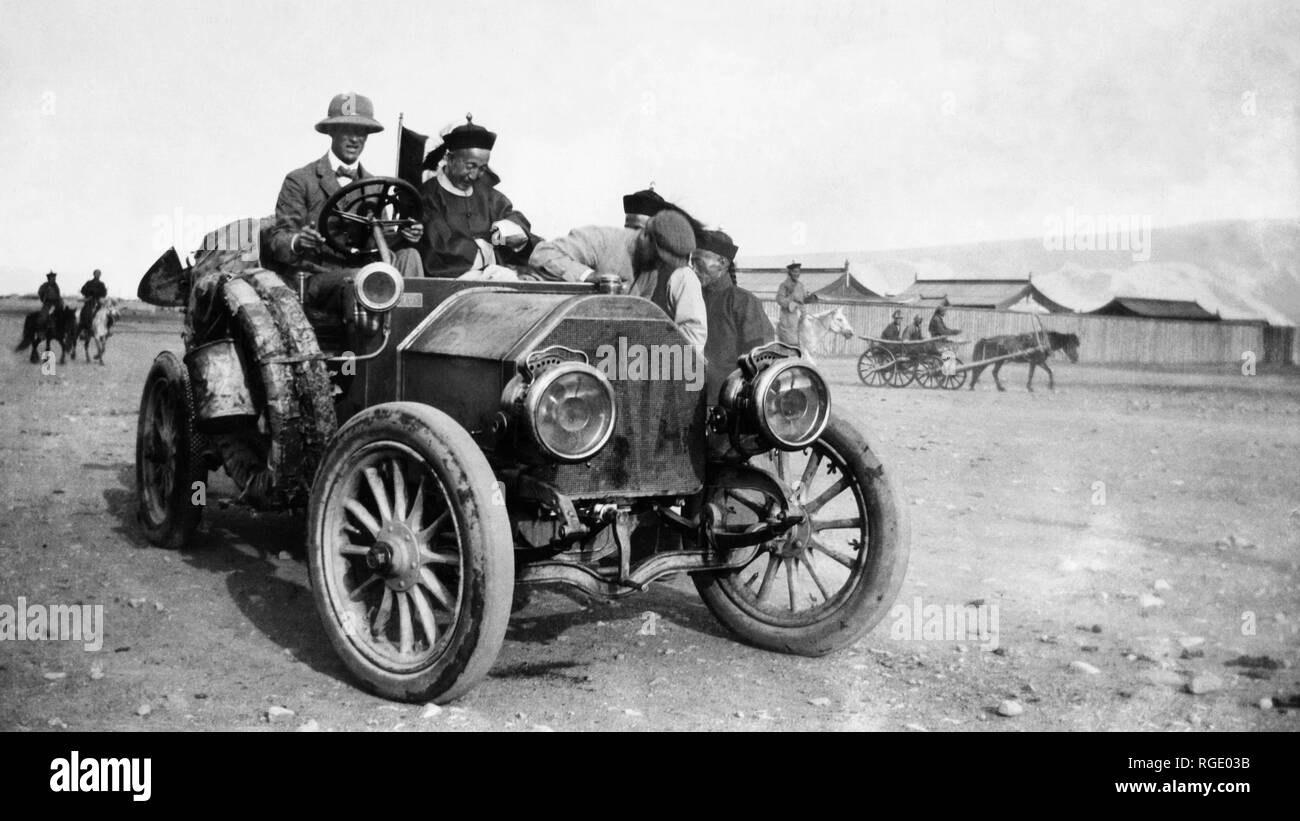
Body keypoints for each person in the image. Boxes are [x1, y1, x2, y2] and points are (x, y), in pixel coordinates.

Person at [265, 92, 424, 318]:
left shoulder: (376, 187)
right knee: (364, 279)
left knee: (410, 256)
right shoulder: (301, 180)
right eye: (347, 130)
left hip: (365, 273)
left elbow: (384, 241)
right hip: (316, 278)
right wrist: (299, 240)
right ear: (331, 132)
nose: (355, 139)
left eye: (361, 132)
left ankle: (406, 330)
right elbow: (278, 240)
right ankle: (369, 349)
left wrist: (405, 234)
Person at [419, 115, 532, 278]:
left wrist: (507, 230)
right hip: (450, 280)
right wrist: (481, 248)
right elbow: (438, 245)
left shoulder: (489, 196)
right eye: (470, 166)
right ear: (450, 159)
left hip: (494, 275)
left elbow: (512, 216)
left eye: (482, 168)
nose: (474, 176)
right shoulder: (427, 197)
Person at [692, 229, 774, 401]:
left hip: (726, 404)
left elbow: (761, 360)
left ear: (722, 262)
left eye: (698, 262)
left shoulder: (744, 302)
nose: (693, 269)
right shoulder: (691, 299)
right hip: (689, 399)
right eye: (691, 263)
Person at [527, 186, 665, 288]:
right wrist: (588, 276)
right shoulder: (601, 240)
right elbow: (542, 254)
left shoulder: (651, 271)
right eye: (633, 230)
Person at [775, 261, 806, 346]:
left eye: (798, 272)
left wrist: (810, 298)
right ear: (790, 272)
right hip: (788, 318)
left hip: (800, 317)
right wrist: (791, 302)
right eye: (795, 272)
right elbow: (779, 299)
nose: (797, 274)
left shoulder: (800, 285)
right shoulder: (784, 285)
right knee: (791, 344)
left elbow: (803, 299)